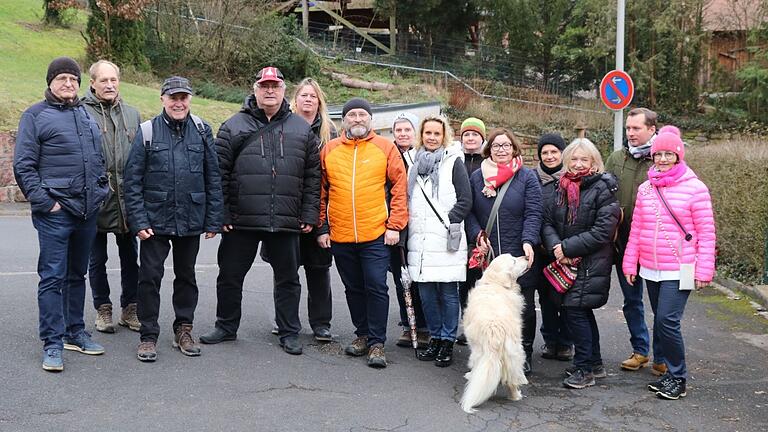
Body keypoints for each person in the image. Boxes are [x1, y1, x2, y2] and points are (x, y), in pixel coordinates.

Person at [199, 67, 320, 356]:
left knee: (288, 279)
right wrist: (223, 214)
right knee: (229, 276)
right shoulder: (233, 126)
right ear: (255, 89)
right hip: (241, 218)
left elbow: (313, 176)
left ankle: (289, 332)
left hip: (286, 218)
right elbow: (219, 174)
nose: (269, 91)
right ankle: (226, 326)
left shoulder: (301, 129)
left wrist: (309, 213)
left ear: (283, 90)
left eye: (274, 86)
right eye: (264, 85)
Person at [14, 57, 110, 372]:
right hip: (56, 212)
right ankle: (52, 344)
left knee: (76, 275)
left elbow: (97, 158)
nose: (68, 84)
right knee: (52, 277)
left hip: (86, 212)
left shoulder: (84, 114)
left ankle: (75, 333)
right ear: (50, 82)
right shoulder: (35, 115)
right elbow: (24, 165)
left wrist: (101, 192)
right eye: (61, 79)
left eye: (72, 79)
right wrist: (46, 202)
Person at [124, 76, 223, 362]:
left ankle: (184, 329)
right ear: (163, 99)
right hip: (155, 220)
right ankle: (148, 335)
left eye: (183, 97)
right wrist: (139, 221)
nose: (178, 103)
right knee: (150, 277)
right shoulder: (147, 131)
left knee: (186, 277)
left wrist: (213, 219)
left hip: (191, 218)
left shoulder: (203, 130)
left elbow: (212, 176)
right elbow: (132, 181)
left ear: (190, 99)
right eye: (173, 97)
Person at [623, 126, 716, 400]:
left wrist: (704, 269)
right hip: (651, 267)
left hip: (681, 267)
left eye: (668, 154)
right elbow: (637, 229)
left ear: (678, 156)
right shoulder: (645, 189)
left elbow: (707, 232)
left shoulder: (695, 188)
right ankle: (669, 376)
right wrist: (631, 264)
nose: (662, 159)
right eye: (658, 154)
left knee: (667, 321)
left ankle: (678, 377)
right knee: (661, 320)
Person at [317, 98, 408, 369]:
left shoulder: (386, 147)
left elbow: (400, 189)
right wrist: (322, 227)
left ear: (370, 119)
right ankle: (362, 335)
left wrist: (395, 226)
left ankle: (378, 342)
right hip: (341, 234)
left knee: (376, 286)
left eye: (362, 114)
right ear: (344, 120)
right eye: (352, 115)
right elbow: (320, 192)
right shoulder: (330, 150)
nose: (357, 119)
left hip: (376, 233)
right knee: (353, 288)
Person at [260, 77, 336, 342]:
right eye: (303, 95)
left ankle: (321, 323)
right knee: (285, 271)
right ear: (295, 99)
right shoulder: (282, 126)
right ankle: (285, 321)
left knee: (319, 269)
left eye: (313, 96)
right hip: (286, 210)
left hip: (318, 211)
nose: (308, 100)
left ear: (319, 101)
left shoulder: (331, 134)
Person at [542, 138, 620, 389]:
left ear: (594, 162)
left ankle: (585, 369)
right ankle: (594, 363)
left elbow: (603, 231)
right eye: (573, 159)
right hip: (566, 259)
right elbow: (547, 221)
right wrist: (557, 248)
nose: (577, 164)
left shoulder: (603, 188)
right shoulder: (560, 187)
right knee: (580, 312)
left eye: (583, 159)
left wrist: (566, 248)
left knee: (576, 312)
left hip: (590, 262)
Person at [465, 128, 542, 374]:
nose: (501, 150)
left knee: (523, 307)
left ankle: (523, 352)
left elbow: (534, 212)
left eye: (506, 145)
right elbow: (469, 212)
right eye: (496, 146)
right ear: (489, 149)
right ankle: (489, 353)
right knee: (491, 310)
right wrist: (477, 234)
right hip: (489, 255)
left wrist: (529, 241)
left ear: (514, 148)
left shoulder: (527, 177)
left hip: (518, 254)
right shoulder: (477, 178)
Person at [406, 115, 472, 367]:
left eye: (436, 133)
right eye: (428, 133)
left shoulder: (453, 161)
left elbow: (465, 200)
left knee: (447, 292)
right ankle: (434, 337)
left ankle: (447, 340)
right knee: (426, 294)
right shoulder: (412, 162)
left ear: (444, 136)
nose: (432, 138)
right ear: (421, 135)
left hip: (444, 238)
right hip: (419, 240)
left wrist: (448, 221)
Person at [82, 60, 142, 334]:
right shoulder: (81, 112)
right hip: (94, 198)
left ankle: (130, 308)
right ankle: (102, 309)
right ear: (92, 82)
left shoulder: (132, 114)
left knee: (131, 258)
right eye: (103, 80)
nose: (109, 85)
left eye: (113, 80)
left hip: (128, 199)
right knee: (97, 259)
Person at [605, 107, 661, 374]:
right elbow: (604, 194)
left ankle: (662, 355)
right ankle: (640, 350)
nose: (631, 133)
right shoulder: (616, 158)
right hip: (623, 243)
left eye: (636, 128)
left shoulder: (663, 159)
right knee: (631, 300)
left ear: (651, 129)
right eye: (628, 128)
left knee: (661, 305)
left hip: (654, 245)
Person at [389, 112, 429, 348]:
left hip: (420, 224)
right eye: (398, 130)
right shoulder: (387, 154)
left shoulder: (424, 157)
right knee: (400, 277)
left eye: (407, 130)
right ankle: (408, 324)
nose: (402, 134)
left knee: (420, 278)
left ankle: (424, 325)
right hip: (395, 224)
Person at [533, 133, 573, 362]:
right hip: (539, 249)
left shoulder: (570, 179)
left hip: (563, 249)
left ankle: (566, 342)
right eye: (545, 152)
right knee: (545, 298)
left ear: (562, 154)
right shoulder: (531, 177)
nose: (549, 156)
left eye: (553, 152)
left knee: (564, 297)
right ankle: (550, 340)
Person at [456, 117, 485, 346]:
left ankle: (482, 325)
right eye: (467, 134)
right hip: (459, 227)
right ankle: (467, 326)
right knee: (463, 282)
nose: (471, 138)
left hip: (481, 227)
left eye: (475, 134)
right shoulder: (455, 160)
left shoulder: (488, 162)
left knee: (481, 282)